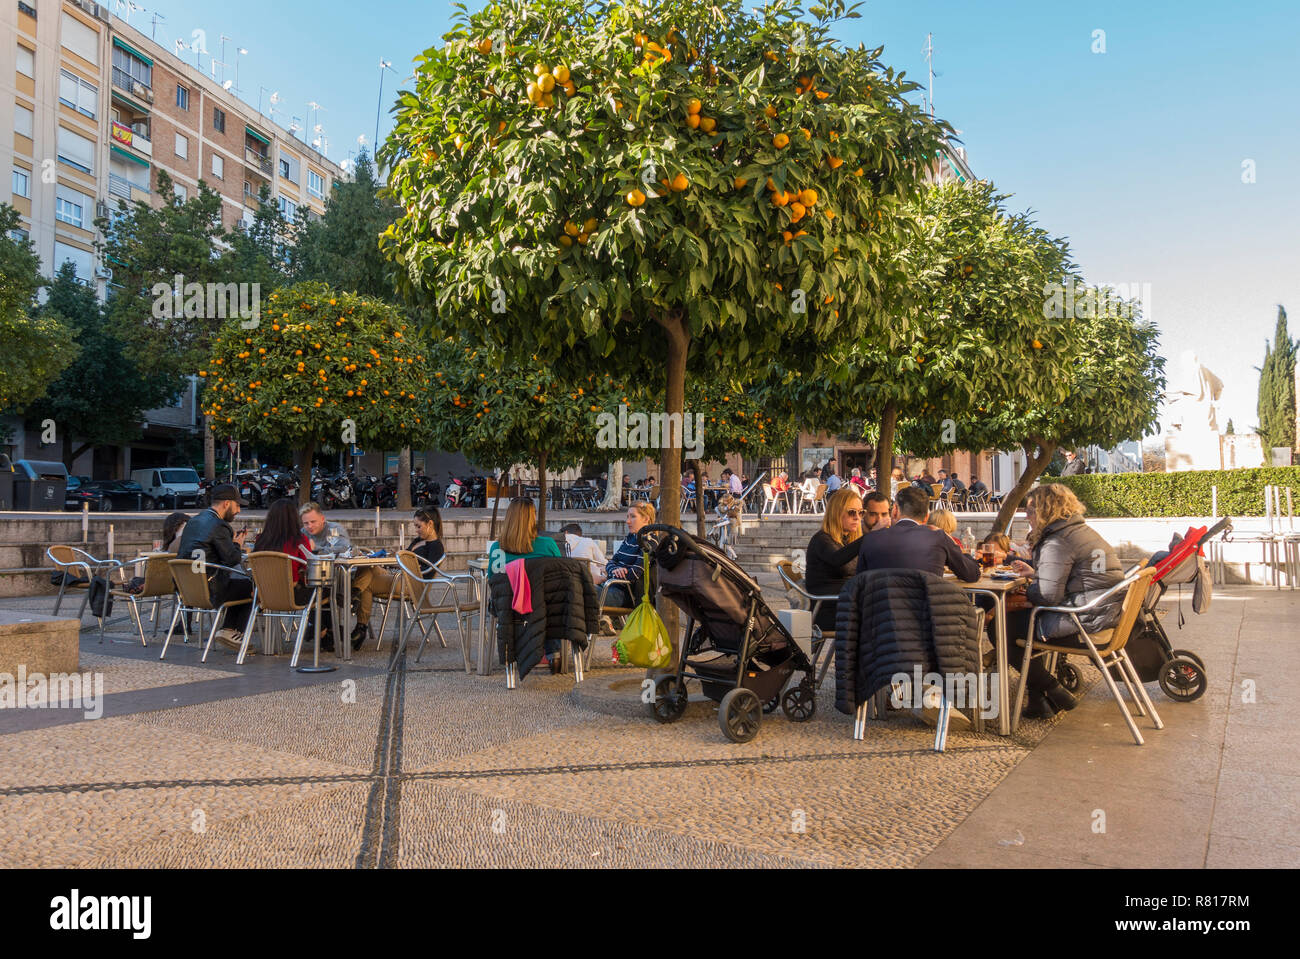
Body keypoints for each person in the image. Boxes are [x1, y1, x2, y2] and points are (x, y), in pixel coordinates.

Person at [1006, 484, 1125, 719]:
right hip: (1102, 613)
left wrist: (1028, 593)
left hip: (1084, 619)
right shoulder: (1079, 531)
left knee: (1002, 626)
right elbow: (1076, 577)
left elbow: (1049, 596)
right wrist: (1036, 574)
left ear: (1044, 510)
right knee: (1018, 622)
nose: (1027, 517)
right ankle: (1039, 701)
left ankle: (1052, 689)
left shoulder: (1057, 541)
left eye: (1029, 511)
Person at [176, 484, 254, 651]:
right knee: (254, 586)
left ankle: (229, 630)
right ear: (227, 503)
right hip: (211, 590)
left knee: (240, 586)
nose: (238, 510)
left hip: (188, 591)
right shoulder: (219, 525)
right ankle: (231, 631)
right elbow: (232, 559)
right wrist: (237, 544)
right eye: (237, 505)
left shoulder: (193, 521)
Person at [355, 508, 447, 647]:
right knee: (368, 567)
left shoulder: (436, 546)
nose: (416, 530)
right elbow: (407, 562)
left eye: (418, 526)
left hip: (411, 584)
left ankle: (356, 608)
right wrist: (394, 559)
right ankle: (359, 622)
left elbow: (426, 572)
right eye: (415, 526)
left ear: (430, 524)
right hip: (400, 577)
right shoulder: (417, 540)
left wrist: (403, 564)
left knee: (366, 583)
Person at [857, 486, 980, 582]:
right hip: (927, 612)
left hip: (880, 611)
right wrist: (958, 549)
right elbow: (972, 574)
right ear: (926, 517)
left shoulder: (870, 539)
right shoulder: (938, 537)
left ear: (894, 510)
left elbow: (860, 580)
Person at [804, 488, 865, 631]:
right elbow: (840, 562)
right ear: (836, 513)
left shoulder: (846, 541)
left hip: (844, 606)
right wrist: (868, 537)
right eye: (851, 512)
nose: (857, 517)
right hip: (827, 611)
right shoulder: (822, 539)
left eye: (861, 512)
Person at [488, 498, 562, 575]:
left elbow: (493, 582)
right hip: (539, 586)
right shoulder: (548, 545)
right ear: (533, 518)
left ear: (508, 518)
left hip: (507, 587)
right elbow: (561, 575)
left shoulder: (496, 548)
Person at [605, 501, 656, 607]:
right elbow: (611, 562)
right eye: (627, 516)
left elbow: (634, 573)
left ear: (646, 519)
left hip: (626, 595)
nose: (627, 521)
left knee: (581, 594)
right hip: (611, 586)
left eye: (632, 517)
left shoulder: (650, 541)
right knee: (575, 588)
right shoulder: (630, 537)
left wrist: (611, 574)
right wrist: (615, 570)